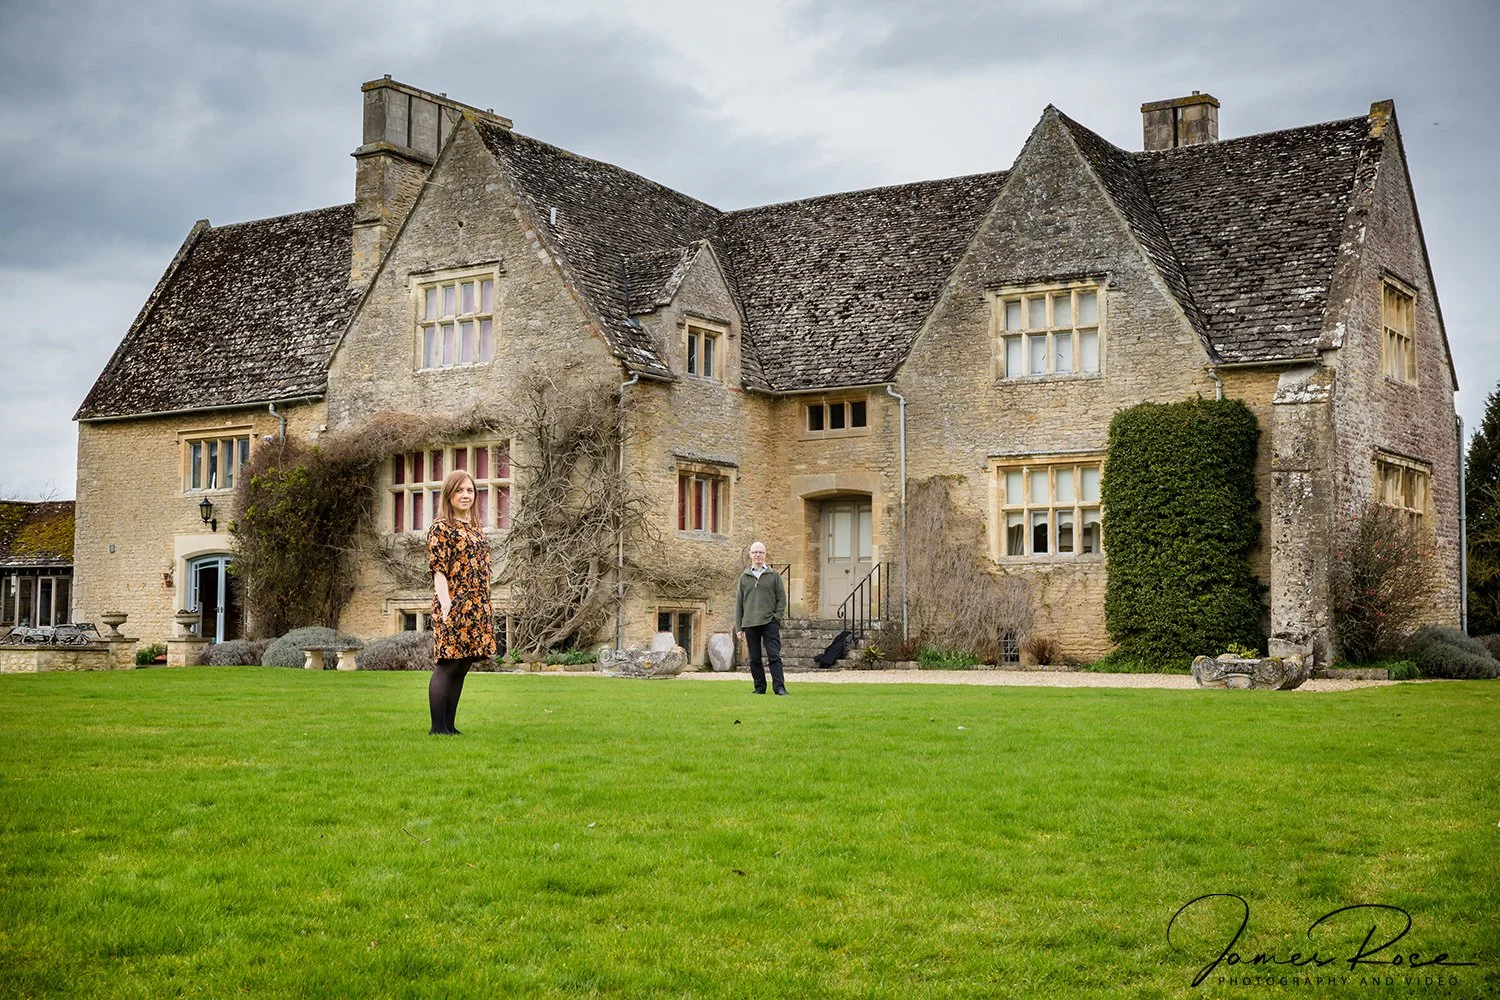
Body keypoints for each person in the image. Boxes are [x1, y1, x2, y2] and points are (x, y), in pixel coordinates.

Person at [426, 469, 496, 734]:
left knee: (463, 664)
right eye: (460, 490)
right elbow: (439, 569)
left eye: (470, 490)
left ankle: (450, 727)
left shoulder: (474, 529)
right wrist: (446, 604)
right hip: (454, 605)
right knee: (447, 664)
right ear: (449, 494)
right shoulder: (441, 527)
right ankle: (437, 728)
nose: (466, 495)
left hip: (476, 606)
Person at [735, 541, 788, 695]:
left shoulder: (774, 575)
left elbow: (782, 599)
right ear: (750, 555)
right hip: (750, 623)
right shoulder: (744, 578)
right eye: (755, 552)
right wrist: (739, 627)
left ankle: (779, 688)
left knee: (774, 656)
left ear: (765, 555)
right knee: (754, 659)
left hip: (769, 622)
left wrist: (776, 618)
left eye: (761, 552)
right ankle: (759, 688)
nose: (758, 555)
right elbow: (739, 604)